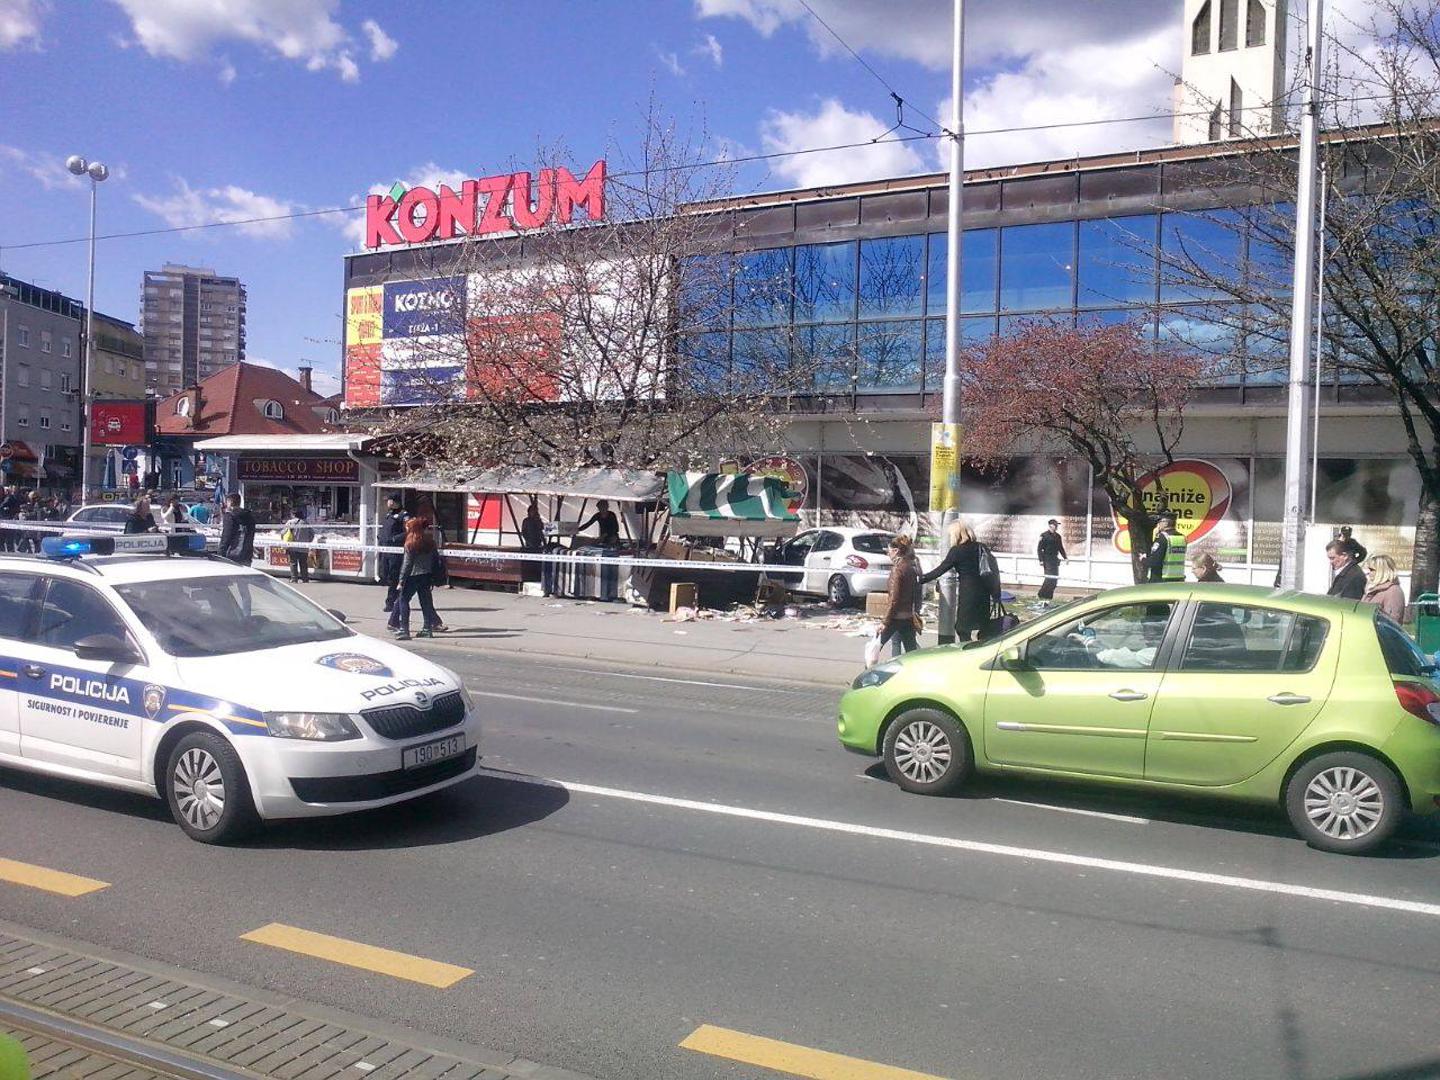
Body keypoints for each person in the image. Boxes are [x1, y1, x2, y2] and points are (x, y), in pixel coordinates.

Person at [919, 521, 997, 643]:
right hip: (984, 593)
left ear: (956, 534)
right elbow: (994, 570)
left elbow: (941, 569)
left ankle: (969, 650)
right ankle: (982, 647)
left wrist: (921, 579)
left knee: (962, 628)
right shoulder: (982, 547)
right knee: (983, 627)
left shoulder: (957, 551)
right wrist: (996, 593)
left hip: (968, 593)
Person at [393, 516, 445, 641]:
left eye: (408, 527)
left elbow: (407, 564)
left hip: (412, 576)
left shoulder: (410, 543)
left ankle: (404, 630)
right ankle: (427, 629)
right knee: (426, 603)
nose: (406, 529)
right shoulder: (430, 542)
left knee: (403, 600)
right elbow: (435, 560)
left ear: (412, 529)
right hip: (426, 576)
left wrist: (401, 580)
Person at [878, 535, 922, 657]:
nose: (888, 554)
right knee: (911, 651)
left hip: (896, 616)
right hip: (908, 616)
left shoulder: (897, 570)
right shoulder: (911, 567)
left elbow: (894, 598)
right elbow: (917, 592)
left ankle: (870, 668)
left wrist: (885, 621)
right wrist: (916, 611)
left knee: (876, 646)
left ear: (896, 551)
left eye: (889, 551)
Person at [379, 496, 409, 612]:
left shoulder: (403, 515)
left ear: (394, 501)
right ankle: (397, 599)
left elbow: (408, 532)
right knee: (385, 575)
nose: (387, 503)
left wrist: (394, 539)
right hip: (386, 550)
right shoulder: (389, 514)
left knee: (394, 577)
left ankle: (391, 602)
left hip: (395, 551)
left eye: (389, 500)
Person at [1362, 553, 1406, 621]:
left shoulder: (1393, 591)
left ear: (1382, 571)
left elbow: (1391, 621)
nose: (1368, 573)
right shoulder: (1371, 589)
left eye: (1371, 570)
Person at [1144, 514, 1187, 583]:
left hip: (1161, 579)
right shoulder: (1182, 538)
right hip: (1178, 578)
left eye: (1160, 522)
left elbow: (1155, 561)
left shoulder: (1162, 537)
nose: (1158, 525)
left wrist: (1143, 559)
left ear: (1166, 523)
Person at [218, 493, 256, 565]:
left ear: (230, 502)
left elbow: (226, 536)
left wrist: (221, 553)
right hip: (246, 555)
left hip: (231, 556)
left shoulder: (230, 516)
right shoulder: (249, 516)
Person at [1036, 519, 1067, 602]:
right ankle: (1041, 595)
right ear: (1050, 525)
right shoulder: (1044, 535)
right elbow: (1039, 549)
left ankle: (1049, 597)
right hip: (1047, 559)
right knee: (1049, 578)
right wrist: (1041, 560)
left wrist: (1065, 557)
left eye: (1057, 525)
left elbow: (1060, 548)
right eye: (1055, 525)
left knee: (1054, 580)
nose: (1056, 527)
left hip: (1055, 560)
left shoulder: (1058, 536)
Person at [282, 507, 314, 583]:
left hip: (293, 546)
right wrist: (307, 541)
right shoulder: (306, 523)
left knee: (293, 563)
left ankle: (294, 579)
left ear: (293, 514)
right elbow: (312, 534)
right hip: (304, 547)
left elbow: (283, 533)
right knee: (303, 564)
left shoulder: (290, 522)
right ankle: (305, 579)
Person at [520, 500, 547, 584]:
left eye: (536, 511)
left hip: (538, 544)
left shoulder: (538, 520)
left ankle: (538, 577)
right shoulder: (526, 521)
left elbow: (542, 531)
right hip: (529, 545)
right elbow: (524, 532)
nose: (535, 513)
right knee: (530, 563)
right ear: (529, 512)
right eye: (533, 511)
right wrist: (528, 541)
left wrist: (544, 543)